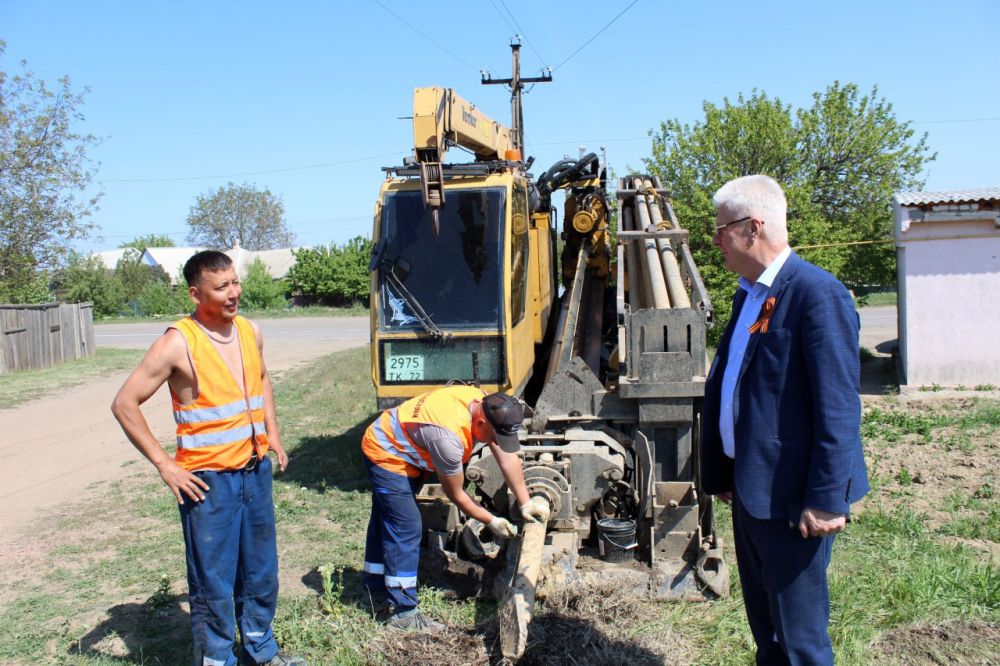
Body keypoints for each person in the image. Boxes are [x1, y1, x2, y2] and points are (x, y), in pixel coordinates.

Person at [700, 175, 869, 665]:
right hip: (753, 493)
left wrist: (824, 498)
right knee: (767, 635)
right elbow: (744, 385)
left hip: (795, 502)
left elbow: (837, 407)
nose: (715, 240)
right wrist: (727, 470)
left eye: (722, 229)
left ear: (754, 227)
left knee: (801, 643)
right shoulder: (749, 295)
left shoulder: (817, 294)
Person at [111, 250, 304, 666]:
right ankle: (217, 659)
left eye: (235, 282)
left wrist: (273, 432)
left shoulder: (250, 331)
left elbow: (263, 379)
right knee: (212, 582)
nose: (234, 293)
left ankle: (260, 650)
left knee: (260, 572)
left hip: (255, 473)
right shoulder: (177, 342)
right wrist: (166, 465)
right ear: (196, 293)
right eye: (222, 287)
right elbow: (125, 403)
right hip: (208, 482)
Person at [361, 386, 549, 631]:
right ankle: (403, 614)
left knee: (386, 519)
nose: (495, 442)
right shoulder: (448, 439)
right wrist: (491, 520)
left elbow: (505, 454)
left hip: (406, 445)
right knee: (406, 527)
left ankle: (373, 587)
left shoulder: (483, 401)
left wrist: (526, 502)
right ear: (481, 422)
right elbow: (457, 494)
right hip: (386, 452)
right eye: (494, 435)